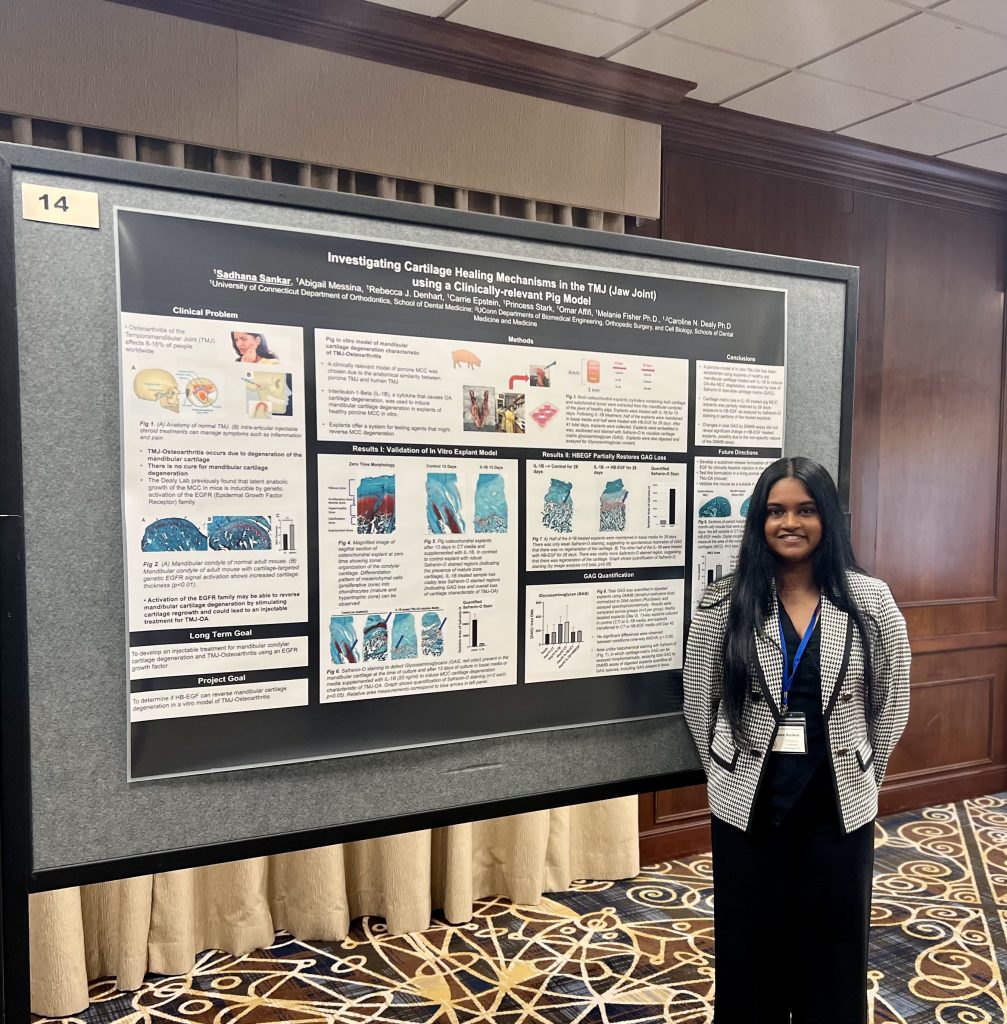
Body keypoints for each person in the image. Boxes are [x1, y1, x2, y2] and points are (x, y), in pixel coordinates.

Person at [683, 457, 910, 1024]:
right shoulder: (725, 600)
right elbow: (698, 700)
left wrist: (867, 772)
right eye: (776, 511)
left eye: (805, 510)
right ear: (758, 522)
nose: (791, 523)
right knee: (749, 945)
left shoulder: (869, 601)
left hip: (838, 804)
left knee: (834, 948)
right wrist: (723, 773)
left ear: (826, 518)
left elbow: (893, 701)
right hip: (749, 802)